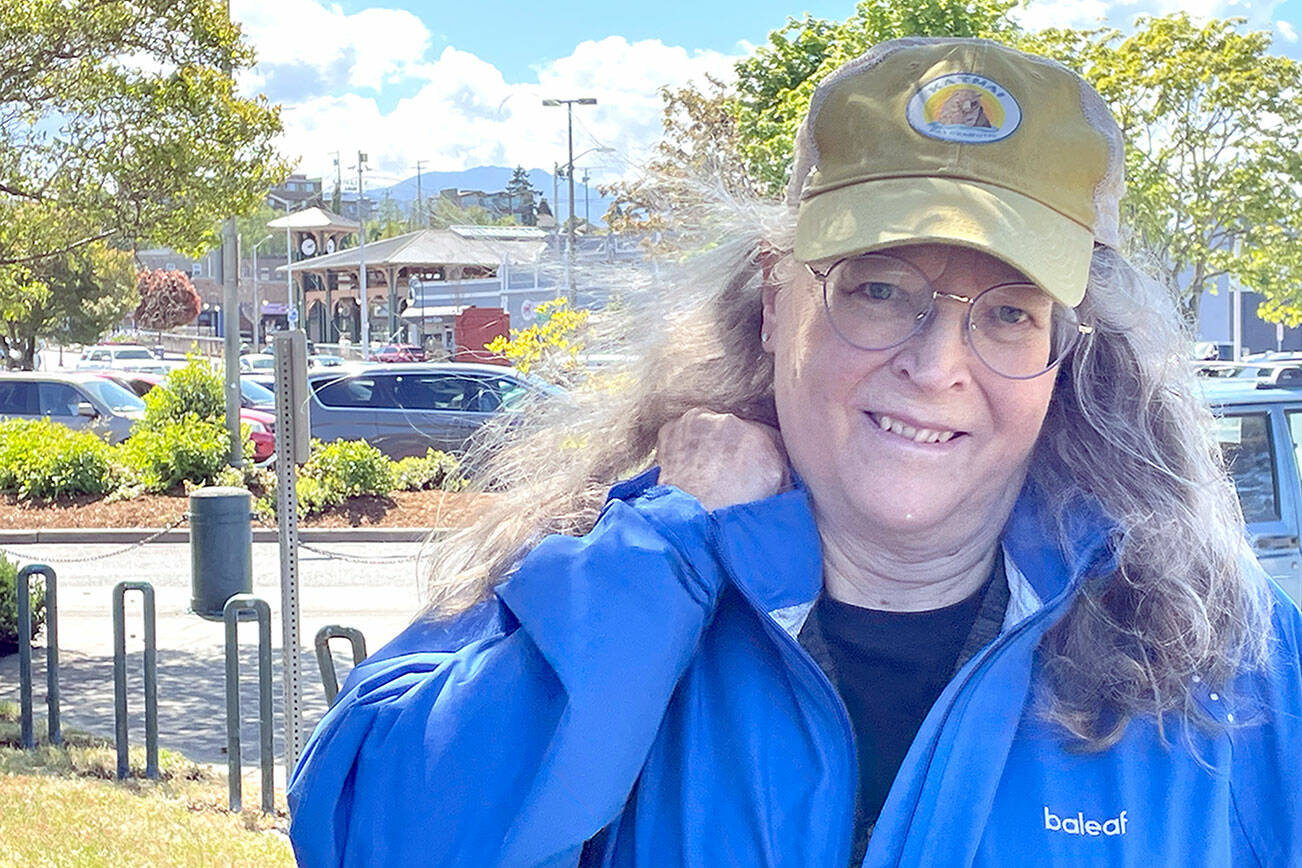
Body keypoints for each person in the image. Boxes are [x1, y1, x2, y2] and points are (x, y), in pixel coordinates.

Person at [287, 38, 1302, 866]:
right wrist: (668, 545)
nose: (936, 366)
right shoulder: (609, 562)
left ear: (1066, 353)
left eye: (1008, 313)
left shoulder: (1233, 658)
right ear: (777, 300)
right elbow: (377, 839)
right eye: (879, 289)